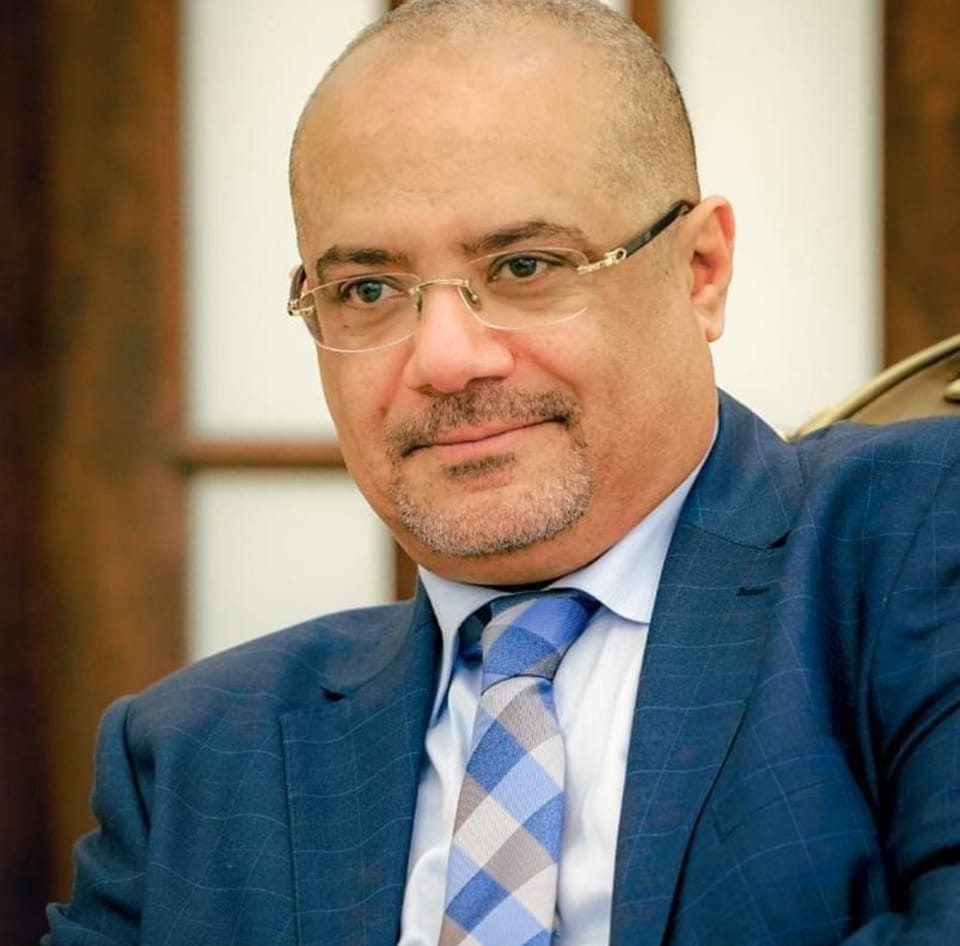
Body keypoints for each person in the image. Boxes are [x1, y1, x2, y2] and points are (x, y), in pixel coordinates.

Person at [45, 1, 960, 944]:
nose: (445, 359)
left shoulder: (919, 543)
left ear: (701, 270)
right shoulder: (189, 759)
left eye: (524, 267)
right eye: (367, 290)